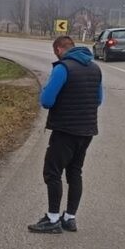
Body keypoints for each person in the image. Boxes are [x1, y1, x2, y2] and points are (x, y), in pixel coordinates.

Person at [28, 35, 103, 234]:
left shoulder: (63, 68)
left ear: (59, 50)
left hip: (65, 130)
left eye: (56, 52)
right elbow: (99, 99)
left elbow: (47, 100)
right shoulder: (95, 69)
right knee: (74, 172)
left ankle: (52, 219)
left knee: (52, 172)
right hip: (87, 130)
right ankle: (70, 218)